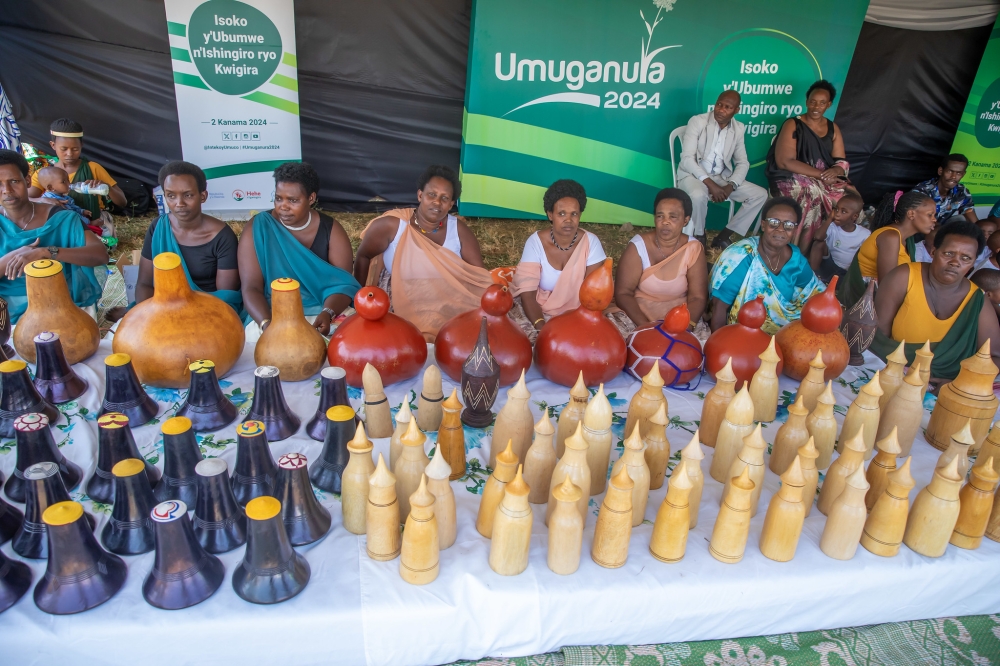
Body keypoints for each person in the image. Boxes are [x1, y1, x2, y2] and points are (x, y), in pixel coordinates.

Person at [354, 165, 491, 340]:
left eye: (444, 198)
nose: (437, 202)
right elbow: (363, 256)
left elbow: (479, 276)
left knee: (468, 336)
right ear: (420, 195)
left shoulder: (459, 231)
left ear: (451, 204)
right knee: (394, 339)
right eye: (431, 195)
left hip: (446, 299)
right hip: (400, 296)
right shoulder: (392, 226)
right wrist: (356, 299)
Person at [238, 162, 359, 338]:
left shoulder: (331, 230)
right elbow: (251, 287)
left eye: (293, 200)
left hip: (322, 311)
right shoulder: (258, 227)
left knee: (350, 339)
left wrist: (328, 313)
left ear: (311, 198)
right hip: (272, 313)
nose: (283, 207)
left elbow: (343, 286)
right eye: (279, 198)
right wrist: (267, 325)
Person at [872, 221, 999, 381]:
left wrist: (958, 383)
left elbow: (994, 357)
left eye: (965, 258)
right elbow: (877, 337)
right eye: (948, 253)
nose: (955, 262)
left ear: (973, 264)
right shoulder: (904, 277)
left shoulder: (977, 301)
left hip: (946, 385)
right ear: (933, 251)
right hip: (890, 372)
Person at [0, 149, 106, 322]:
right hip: (6, 311)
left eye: (14, 181)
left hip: (61, 304)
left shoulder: (61, 217)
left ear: (27, 181)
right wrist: (14, 257)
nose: (7, 190)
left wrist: (47, 252)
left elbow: (100, 255)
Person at [135, 161, 241, 313]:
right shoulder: (159, 227)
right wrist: (146, 315)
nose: (179, 203)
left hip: (207, 311)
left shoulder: (222, 237)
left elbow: (225, 297)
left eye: (188, 195)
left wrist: (183, 317)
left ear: (203, 196)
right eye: (171, 196)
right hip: (162, 308)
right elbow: (144, 284)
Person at [709, 196, 824, 334]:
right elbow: (719, 308)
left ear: (794, 230)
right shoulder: (742, 256)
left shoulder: (796, 260)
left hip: (783, 333)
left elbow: (816, 291)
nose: (780, 229)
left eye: (788, 225)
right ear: (763, 225)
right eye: (774, 222)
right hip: (741, 334)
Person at [509, 180, 608, 340]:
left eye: (574, 214)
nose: (568, 220)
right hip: (539, 311)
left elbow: (594, 295)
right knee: (516, 338)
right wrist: (542, 328)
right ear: (550, 215)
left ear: (580, 215)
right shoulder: (535, 242)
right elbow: (528, 294)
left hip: (578, 313)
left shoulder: (591, 242)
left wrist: (579, 326)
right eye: (561, 213)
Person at [765, 80, 851, 253]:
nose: (816, 106)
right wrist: (821, 175)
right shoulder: (793, 124)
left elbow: (841, 160)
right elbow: (785, 161)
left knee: (847, 197)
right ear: (806, 101)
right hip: (788, 176)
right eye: (812, 101)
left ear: (829, 104)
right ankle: (793, 249)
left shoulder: (833, 128)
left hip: (823, 178)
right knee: (810, 191)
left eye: (821, 103)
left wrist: (836, 170)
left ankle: (821, 250)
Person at [675, 90, 768, 250]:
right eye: (719, 104)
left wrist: (731, 185)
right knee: (698, 195)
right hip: (692, 175)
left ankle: (723, 237)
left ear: (736, 110)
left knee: (760, 195)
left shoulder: (738, 129)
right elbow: (687, 159)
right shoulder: (698, 122)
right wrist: (711, 184)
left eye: (727, 107)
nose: (721, 110)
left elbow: (743, 162)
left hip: (721, 177)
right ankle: (699, 236)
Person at [612, 188, 708, 335]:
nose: (665, 222)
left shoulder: (693, 249)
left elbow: (697, 297)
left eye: (673, 217)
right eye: (660, 216)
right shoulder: (638, 246)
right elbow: (623, 293)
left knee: (695, 350)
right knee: (618, 343)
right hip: (638, 313)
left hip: (679, 314)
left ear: (686, 220)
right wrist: (646, 327)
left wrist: (685, 327)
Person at [838, 191, 936, 307]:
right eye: (930, 215)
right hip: (866, 301)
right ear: (911, 214)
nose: (934, 219)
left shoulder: (906, 240)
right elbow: (888, 286)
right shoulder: (890, 237)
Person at [26, 119, 127, 220]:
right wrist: (43, 200)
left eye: (75, 149)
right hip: (62, 223)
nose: (69, 154)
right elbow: (25, 199)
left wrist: (107, 187)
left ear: (81, 146)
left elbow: (122, 202)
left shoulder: (93, 168)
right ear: (53, 145)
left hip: (94, 220)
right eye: (64, 149)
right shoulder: (44, 174)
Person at [807, 191, 868, 283]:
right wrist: (829, 219)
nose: (837, 214)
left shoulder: (864, 234)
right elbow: (818, 237)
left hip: (847, 273)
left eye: (843, 211)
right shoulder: (832, 227)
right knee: (818, 244)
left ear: (854, 216)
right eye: (836, 209)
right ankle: (811, 278)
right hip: (828, 267)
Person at [912, 154, 977, 226]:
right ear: (940, 171)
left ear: (963, 174)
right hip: (919, 229)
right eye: (950, 171)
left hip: (940, 230)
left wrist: (980, 232)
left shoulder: (961, 192)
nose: (953, 177)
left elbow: (972, 217)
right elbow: (919, 218)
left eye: (958, 173)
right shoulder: (923, 190)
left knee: (963, 220)